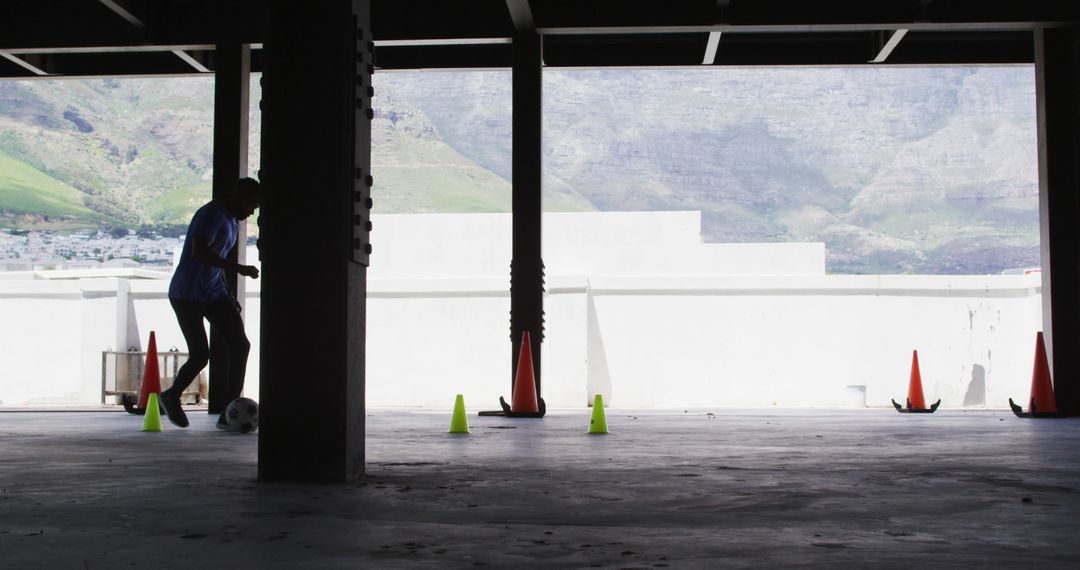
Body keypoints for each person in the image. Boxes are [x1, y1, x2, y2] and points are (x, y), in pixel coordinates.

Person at [160, 178, 261, 429]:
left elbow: (216, 263)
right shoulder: (212, 214)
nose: (251, 211)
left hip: (214, 294)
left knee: (240, 345)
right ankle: (171, 396)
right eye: (251, 205)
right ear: (239, 195)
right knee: (200, 355)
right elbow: (200, 252)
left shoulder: (232, 222)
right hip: (186, 294)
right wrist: (239, 269)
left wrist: (227, 295)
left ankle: (228, 413)